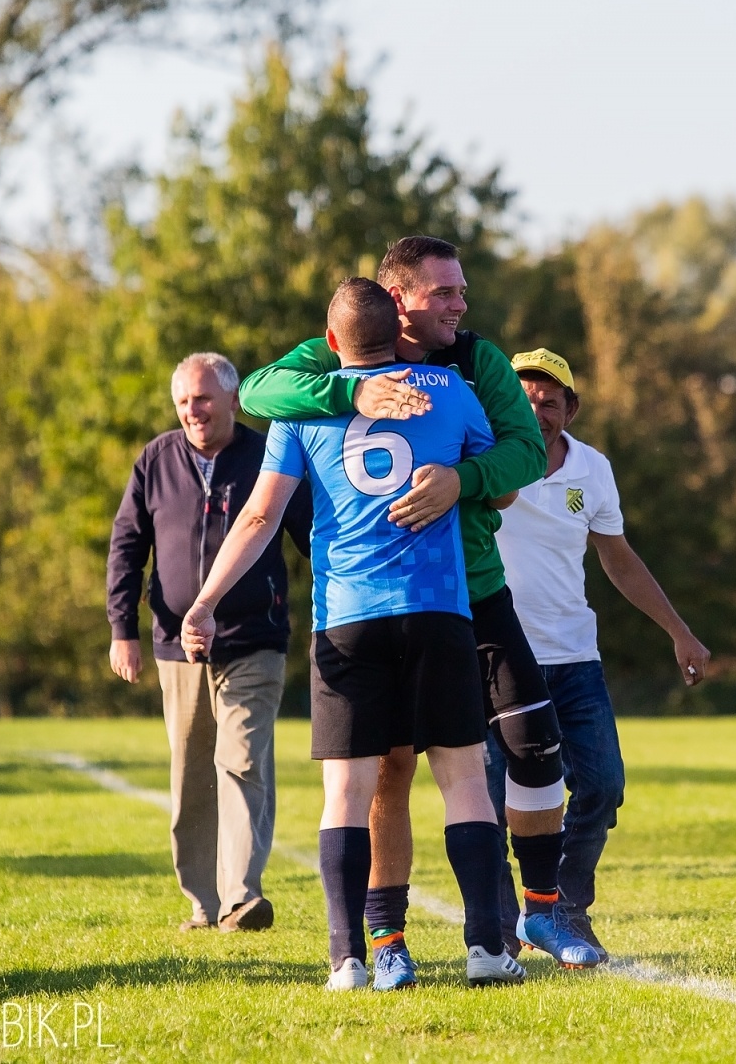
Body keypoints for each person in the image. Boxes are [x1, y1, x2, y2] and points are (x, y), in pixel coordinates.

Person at [239, 236, 599, 985]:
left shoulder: (476, 361)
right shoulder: (335, 352)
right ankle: (386, 936)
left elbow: (526, 453)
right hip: (390, 599)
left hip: (472, 587)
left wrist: (460, 479)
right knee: (393, 770)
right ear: (397, 298)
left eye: (461, 293)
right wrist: (352, 393)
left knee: (535, 742)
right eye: (445, 294)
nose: (460, 307)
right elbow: (256, 391)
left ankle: (538, 907)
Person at [183, 276, 523, 989]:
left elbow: (259, 518)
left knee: (348, 790)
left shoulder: (301, 407)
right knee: (462, 778)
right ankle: (487, 948)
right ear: (395, 323)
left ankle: (349, 960)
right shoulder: (452, 390)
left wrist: (205, 600)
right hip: (438, 612)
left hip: (348, 618)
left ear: (332, 342)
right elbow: (505, 484)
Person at [495, 348, 711, 961]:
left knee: (603, 785)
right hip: (497, 656)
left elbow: (617, 558)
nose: (536, 411)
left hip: (574, 658)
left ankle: (565, 908)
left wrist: (679, 630)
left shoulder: (593, 469)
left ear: (571, 408)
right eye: (524, 399)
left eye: (549, 401)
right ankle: (496, 923)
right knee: (491, 797)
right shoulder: (481, 455)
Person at [107, 352, 311, 933]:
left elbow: (312, 535)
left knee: (243, 760)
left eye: (202, 399)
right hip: (178, 645)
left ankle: (241, 897)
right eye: (182, 402)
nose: (191, 411)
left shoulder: (268, 455)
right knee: (192, 773)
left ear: (231, 399)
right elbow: (127, 545)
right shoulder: (155, 459)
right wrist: (122, 629)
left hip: (255, 638)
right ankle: (202, 900)